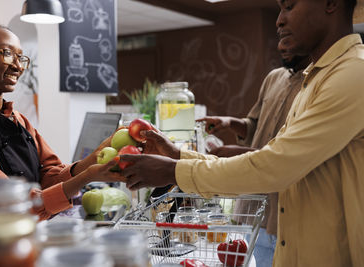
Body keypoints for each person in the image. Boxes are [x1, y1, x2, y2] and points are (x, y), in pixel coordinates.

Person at [118, 0, 364, 266]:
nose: (279, 20)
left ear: (331, 3)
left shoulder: (353, 74)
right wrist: (178, 156)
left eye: (289, 6)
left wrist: (173, 170)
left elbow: (274, 166)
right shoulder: (314, 79)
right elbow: (274, 158)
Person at [0, 23, 121, 220]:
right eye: (7, 53)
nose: (18, 66)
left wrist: (94, 159)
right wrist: (87, 176)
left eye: (21, 57)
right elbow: (8, 204)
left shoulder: (18, 119)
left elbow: (49, 174)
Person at [196, 48, 310, 267]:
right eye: (280, 41)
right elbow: (255, 125)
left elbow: (292, 155)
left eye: (289, 39)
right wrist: (231, 123)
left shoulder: (316, 85)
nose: (282, 46)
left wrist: (239, 155)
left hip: (282, 217)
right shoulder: (274, 78)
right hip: (249, 210)